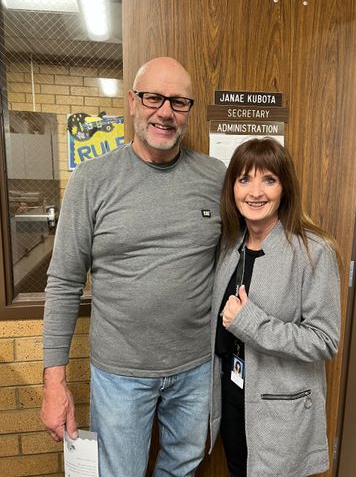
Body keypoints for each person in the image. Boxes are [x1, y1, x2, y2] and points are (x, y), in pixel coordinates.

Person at [41, 56, 226, 477]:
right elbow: (65, 281)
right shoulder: (92, 180)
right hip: (120, 375)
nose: (165, 112)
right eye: (153, 98)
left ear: (189, 110)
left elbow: (243, 252)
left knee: (182, 467)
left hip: (196, 369)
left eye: (178, 102)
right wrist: (55, 382)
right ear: (132, 102)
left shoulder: (216, 178)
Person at [209, 138, 340, 477]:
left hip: (281, 413)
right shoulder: (230, 246)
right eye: (244, 179)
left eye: (268, 179)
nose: (255, 192)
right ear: (232, 189)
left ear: (284, 188)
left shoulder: (313, 250)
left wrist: (250, 322)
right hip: (233, 401)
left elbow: (324, 340)